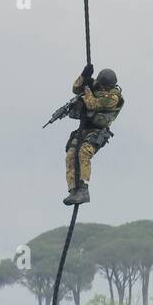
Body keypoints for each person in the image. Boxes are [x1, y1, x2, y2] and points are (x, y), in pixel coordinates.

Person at [63, 65, 124, 205]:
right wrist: (84, 77)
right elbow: (75, 89)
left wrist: (87, 89)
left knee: (84, 153)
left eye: (104, 87)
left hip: (97, 131)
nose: (101, 89)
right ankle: (73, 190)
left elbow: (92, 104)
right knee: (71, 155)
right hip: (84, 128)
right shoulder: (97, 85)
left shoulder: (113, 97)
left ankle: (83, 189)